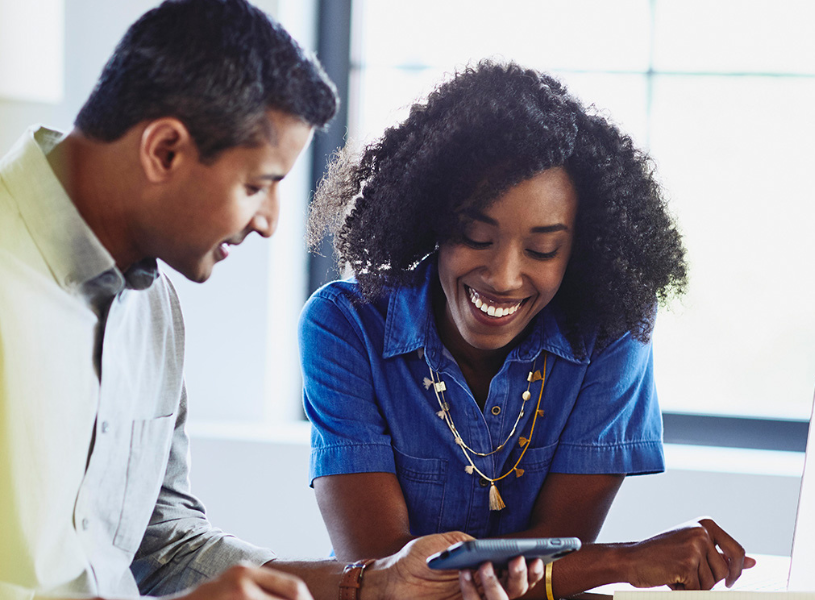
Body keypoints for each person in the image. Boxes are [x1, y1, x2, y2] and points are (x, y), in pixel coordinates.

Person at [0, 3, 540, 599]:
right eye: (257, 185)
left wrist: (368, 583)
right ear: (164, 151)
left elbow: (162, 545)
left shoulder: (151, 306)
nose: (270, 222)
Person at [300, 61, 757, 598]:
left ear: (579, 249)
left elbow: (559, 549)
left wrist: (589, 564)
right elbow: (391, 576)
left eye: (542, 249)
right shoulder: (346, 324)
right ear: (432, 223)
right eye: (475, 235)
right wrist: (625, 561)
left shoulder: (611, 332)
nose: (503, 276)